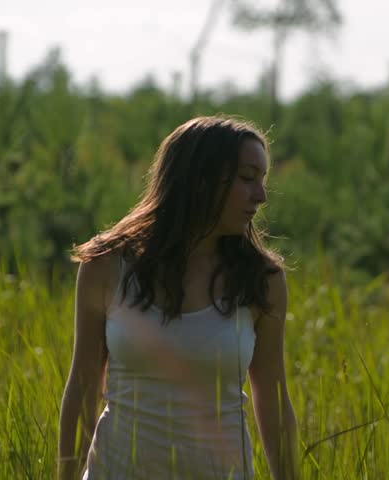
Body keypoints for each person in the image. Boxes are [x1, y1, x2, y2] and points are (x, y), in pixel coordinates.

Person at [58, 116, 300, 480]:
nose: (261, 196)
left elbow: (274, 402)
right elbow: (83, 388)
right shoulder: (107, 266)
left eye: (262, 180)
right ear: (201, 179)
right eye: (247, 178)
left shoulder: (261, 280)